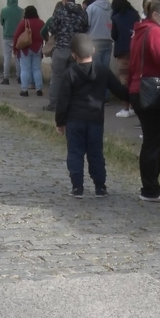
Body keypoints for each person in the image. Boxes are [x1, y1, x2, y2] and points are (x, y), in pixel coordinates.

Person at [56, 34, 130, 198]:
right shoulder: (103, 70)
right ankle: (100, 186)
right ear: (94, 51)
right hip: (96, 119)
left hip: (74, 120)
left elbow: (63, 100)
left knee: (75, 153)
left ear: (73, 54)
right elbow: (120, 91)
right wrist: (134, 94)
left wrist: (60, 122)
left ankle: (77, 187)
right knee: (96, 153)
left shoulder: (70, 73)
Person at [129, 0, 160, 203]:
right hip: (152, 92)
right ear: (156, 15)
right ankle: (151, 189)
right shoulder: (156, 33)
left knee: (151, 141)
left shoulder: (142, 30)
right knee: (153, 143)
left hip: (139, 89)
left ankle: (150, 187)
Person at [46, 0, 90, 111]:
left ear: (64, 0)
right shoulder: (82, 12)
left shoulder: (60, 11)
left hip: (61, 48)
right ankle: (73, 103)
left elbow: (52, 28)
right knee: (74, 78)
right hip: (76, 50)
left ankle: (54, 104)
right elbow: (86, 29)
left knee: (57, 77)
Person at [110, 0, 141, 118]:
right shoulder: (135, 15)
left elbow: (114, 36)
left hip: (122, 52)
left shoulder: (116, 18)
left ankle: (125, 107)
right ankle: (134, 106)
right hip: (135, 50)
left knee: (124, 80)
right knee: (134, 78)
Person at [86, 0, 114, 93]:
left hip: (95, 41)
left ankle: (97, 94)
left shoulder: (91, 8)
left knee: (95, 70)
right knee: (106, 69)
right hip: (108, 40)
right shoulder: (110, 7)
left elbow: (87, 23)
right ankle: (106, 95)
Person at [14, 5, 45, 97]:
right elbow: (44, 34)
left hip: (25, 48)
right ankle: (39, 89)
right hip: (38, 48)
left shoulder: (23, 23)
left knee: (25, 69)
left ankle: (24, 89)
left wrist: (15, 48)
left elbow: (16, 35)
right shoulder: (41, 22)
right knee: (37, 69)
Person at [0, 0, 23, 85]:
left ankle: (6, 78)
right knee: (18, 57)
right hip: (18, 37)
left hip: (7, 36)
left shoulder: (4, 10)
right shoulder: (21, 11)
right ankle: (19, 77)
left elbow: (1, 22)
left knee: (7, 58)